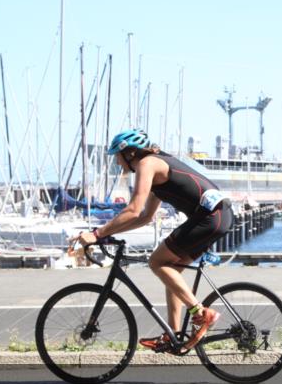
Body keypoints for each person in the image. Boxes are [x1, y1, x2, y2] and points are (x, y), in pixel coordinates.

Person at [69, 129, 234, 352]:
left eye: (117, 156)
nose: (117, 162)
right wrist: (106, 233)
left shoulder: (147, 164)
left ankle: (201, 314)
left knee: (156, 262)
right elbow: (144, 217)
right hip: (217, 216)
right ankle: (174, 335)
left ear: (130, 153)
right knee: (171, 271)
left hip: (211, 217)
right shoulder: (156, 170)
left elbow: (133, 209)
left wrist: (97, 234)